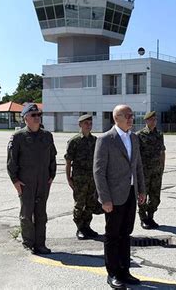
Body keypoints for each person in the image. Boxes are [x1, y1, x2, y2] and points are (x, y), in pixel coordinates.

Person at [93, 105, 146, 288]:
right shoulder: (106, 139)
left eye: (132, 115)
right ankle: (113, 273)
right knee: (112, 235)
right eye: (128, 115)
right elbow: (98, 172)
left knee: (126, 234)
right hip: (113, 196)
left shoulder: (134, 137)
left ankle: (125, 271)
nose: (131, 118)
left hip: (130, 193)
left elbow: (138, 165)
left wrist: (141, 189)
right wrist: (104, 198)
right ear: (117, 118)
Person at [7, 103, 57, 254]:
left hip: (43, 181)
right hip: (25, 182)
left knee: (41, 214)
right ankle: (28, 243)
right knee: (27, 214)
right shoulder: (18, 137)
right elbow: (11, 161)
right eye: (33, 115)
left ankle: (40, 244)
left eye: (38, 115)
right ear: (25, 118)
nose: (37, 118)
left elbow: (52, 157)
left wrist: (51, 176)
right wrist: (15, 181)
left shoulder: (47, 135)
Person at [65, 114, 101, 240]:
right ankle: (80, 227)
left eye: (90, 123)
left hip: (92, 178)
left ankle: (87, 226)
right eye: (86, 123)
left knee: (90, 203)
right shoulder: (74, 141)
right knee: (79, 204)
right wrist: (69, 178)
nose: (88, 125)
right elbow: (68, 161)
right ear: (80, 125)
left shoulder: (95, 140)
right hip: (79, 179)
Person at [136, 111, 166, 229]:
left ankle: (151, 216)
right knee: (143, 195)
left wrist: (162, 166)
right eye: (151, 119)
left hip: (156, 171)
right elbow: (136, 154)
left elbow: (162, 151)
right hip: (144, 172)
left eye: (155, 119)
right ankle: (143, 218)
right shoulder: (139, 135)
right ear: (146, 121)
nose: (154, 121)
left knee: (155, 196)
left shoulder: (159, 134)